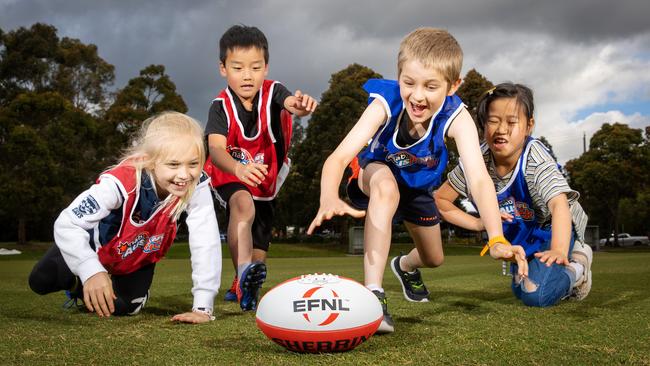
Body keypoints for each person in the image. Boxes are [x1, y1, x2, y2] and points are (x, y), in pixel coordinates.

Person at [307, 28, 526, 333]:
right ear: (399, 76)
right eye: (409, 82)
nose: (418, 95)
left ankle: (405, 266)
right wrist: (329, 195)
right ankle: (373, 297)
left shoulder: (458, 118)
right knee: (386, 188)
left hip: (418, 188)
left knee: (434, 258)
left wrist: (496, 236)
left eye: (431, 86)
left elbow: (478, 179)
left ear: (453, 85)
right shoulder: (386, 102)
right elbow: (339, 157)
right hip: (375, 173)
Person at [29, 112, 222, 323]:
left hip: (138, 254)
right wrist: (90, 270)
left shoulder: (197, 184)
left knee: (122, 307)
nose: (185, 175)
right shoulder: (120, 182)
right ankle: (79, 285)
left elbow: (206, 240)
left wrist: (203, 307)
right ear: (150, 161)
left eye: (193, 164)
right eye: (173, 165)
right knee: (40, 280)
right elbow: (68, 223)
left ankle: (120, 291)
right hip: (97, 248)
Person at [434, 82, 592, 307]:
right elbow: (440, 200)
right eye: (493, 121)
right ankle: (542, 271)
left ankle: (578, 266)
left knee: (536, 295)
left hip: (551, 228)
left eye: (511, 122)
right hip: (520, 234)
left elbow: (559, 205)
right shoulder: (476, 160)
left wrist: (557, 248)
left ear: (529, 126)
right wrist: (479, 223)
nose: (501, 129)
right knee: (521, 290)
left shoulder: (534, 157)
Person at [204, 25, 317, 311]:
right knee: (243, 206)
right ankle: (242, 276)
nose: (247, 75)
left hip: (266, 176)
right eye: (238, 67)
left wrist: (300, 106)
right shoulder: (220, 107)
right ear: (223, 68)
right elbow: (216, 149)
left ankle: (244, 282)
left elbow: (289, 102)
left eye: (255, 67)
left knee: (258, 253)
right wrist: (237, 170)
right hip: (230, 172)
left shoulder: (274, 91)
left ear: (265, 68)